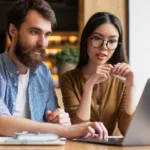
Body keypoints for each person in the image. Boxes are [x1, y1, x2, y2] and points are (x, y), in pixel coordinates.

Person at [0, 0, 108, 139]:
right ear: (13, 31)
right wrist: (66, 131)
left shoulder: (43, 72)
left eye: (46, 35)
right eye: (34, 32)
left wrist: (60, 120)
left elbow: (55, 120)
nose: (42, 42)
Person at [60, 12, 139, 136]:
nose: (104, 47)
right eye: (97, 38)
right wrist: (89, 85)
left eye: (112, 41)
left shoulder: (122, 79)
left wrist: (131, 87)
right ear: (86, 39)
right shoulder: (68, 78)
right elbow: (77, 129)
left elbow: (128, 132)